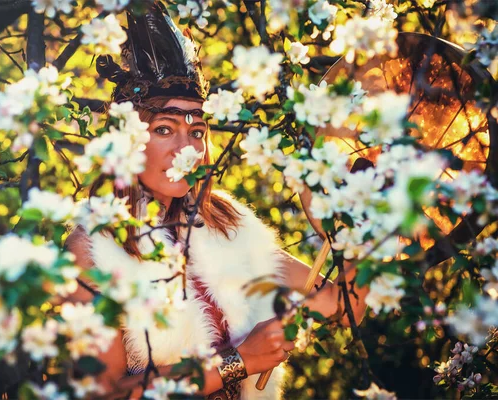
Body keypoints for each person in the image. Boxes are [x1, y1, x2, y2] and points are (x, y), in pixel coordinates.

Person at [63, 2, 369, 399]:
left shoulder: (227, 220)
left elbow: (342, 307)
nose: (183, 149)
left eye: (197, 131)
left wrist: (359, 228)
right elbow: (105, 392)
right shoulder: (94, 249)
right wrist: (240, 360)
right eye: (163, 129)